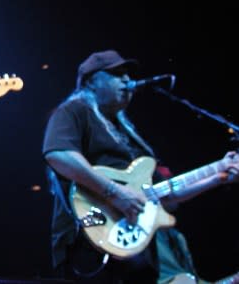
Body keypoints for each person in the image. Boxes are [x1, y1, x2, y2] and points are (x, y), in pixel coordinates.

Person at [41, 49, 238, 283]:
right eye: (116, 73)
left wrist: (219, 174)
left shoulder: (127, 133)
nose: (126, 79)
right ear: (91, 82)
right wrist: (114, 193)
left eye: (127, 73)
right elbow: (59, 154)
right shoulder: (74, 111)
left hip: (134, 240)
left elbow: (162, 196)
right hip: (89, 232)